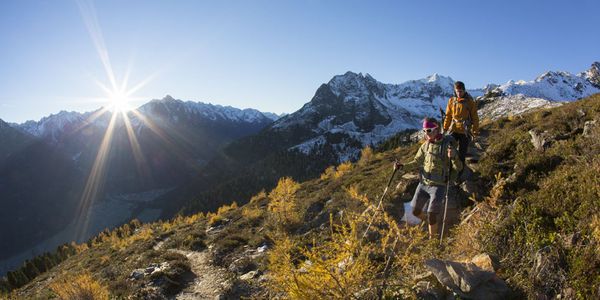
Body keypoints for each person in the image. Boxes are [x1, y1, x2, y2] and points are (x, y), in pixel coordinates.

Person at [394, 118, 463, 239]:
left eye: (429, 130)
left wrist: (454, 156)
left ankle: (433, 241)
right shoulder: (425, 146)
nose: (426, 133)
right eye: (424, 131)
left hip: (439, 185)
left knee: (432, 214)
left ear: (437, 129)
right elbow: (416, 161)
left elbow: (458, 167)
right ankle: (429, 222)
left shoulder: (447, 145)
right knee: (415, 211)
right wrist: (402, 167)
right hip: (423, 183)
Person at [443, 81, 479, 164]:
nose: (459, 93)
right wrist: (445, 128)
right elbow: (448, 116)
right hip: (454, 129)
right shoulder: (451, 101)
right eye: (457, 91)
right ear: (455, 91)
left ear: (464, 91)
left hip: (465, 131)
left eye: (460, 91)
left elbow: (475, 118)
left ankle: (460, 171)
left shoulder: (470, 102)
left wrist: (475, 132)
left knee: (462, 154)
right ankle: (450, 169)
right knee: (450, 150)